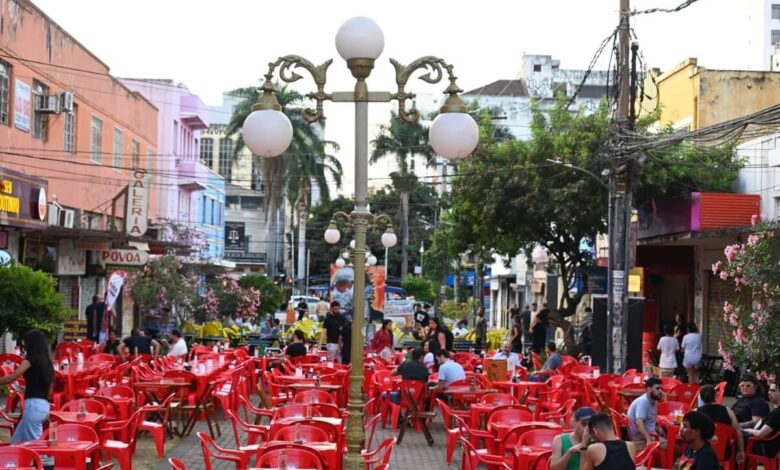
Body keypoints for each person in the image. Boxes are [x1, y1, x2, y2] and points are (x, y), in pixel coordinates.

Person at [0, 329, 54, 443]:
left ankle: (45, 460)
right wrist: (27, 389)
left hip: (33, 407)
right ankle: (12, 459)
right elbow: (48, 388)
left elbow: (12, 377)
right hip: (44, 406)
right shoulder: (47, 362)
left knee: (36, 446)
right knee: (16, 442)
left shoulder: (29, 360)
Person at [697, 384, 745, 464]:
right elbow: (738, 434)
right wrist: (741, 451)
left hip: (700, 452)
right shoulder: (727, 411)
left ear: (701, 398)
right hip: (724, 453)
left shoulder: (697, 412)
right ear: (716, 395)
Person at [743, 381, 780, 458]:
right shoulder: (775, 411)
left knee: (733, 441)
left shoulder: (777, 413)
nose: (769, 392)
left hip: (764, 447)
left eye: (773, 390)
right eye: (769, 390)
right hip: (764, 444)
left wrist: (747, 430)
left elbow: (760, 434)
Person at [627, 377, 664, 449]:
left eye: (661, 389)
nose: (660, 391)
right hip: (640, 439)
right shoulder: (643, 401)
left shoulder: (654, 401)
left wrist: (657, 427)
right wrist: (648, 439)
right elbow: (639, 424)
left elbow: (649, 420)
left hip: (649, 434)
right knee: (674, 447)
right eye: (657, 388)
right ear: (648, 389)